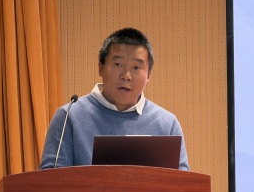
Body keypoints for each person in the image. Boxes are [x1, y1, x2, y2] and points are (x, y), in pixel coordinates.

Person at [39, 28, 189, 170]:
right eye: (118, 64)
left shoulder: (167, 124)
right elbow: (50, 182)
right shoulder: (69, 117)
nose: (126, 76)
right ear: (101, 67)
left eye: (136, 68)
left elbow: (182, 185)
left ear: (148, 75)